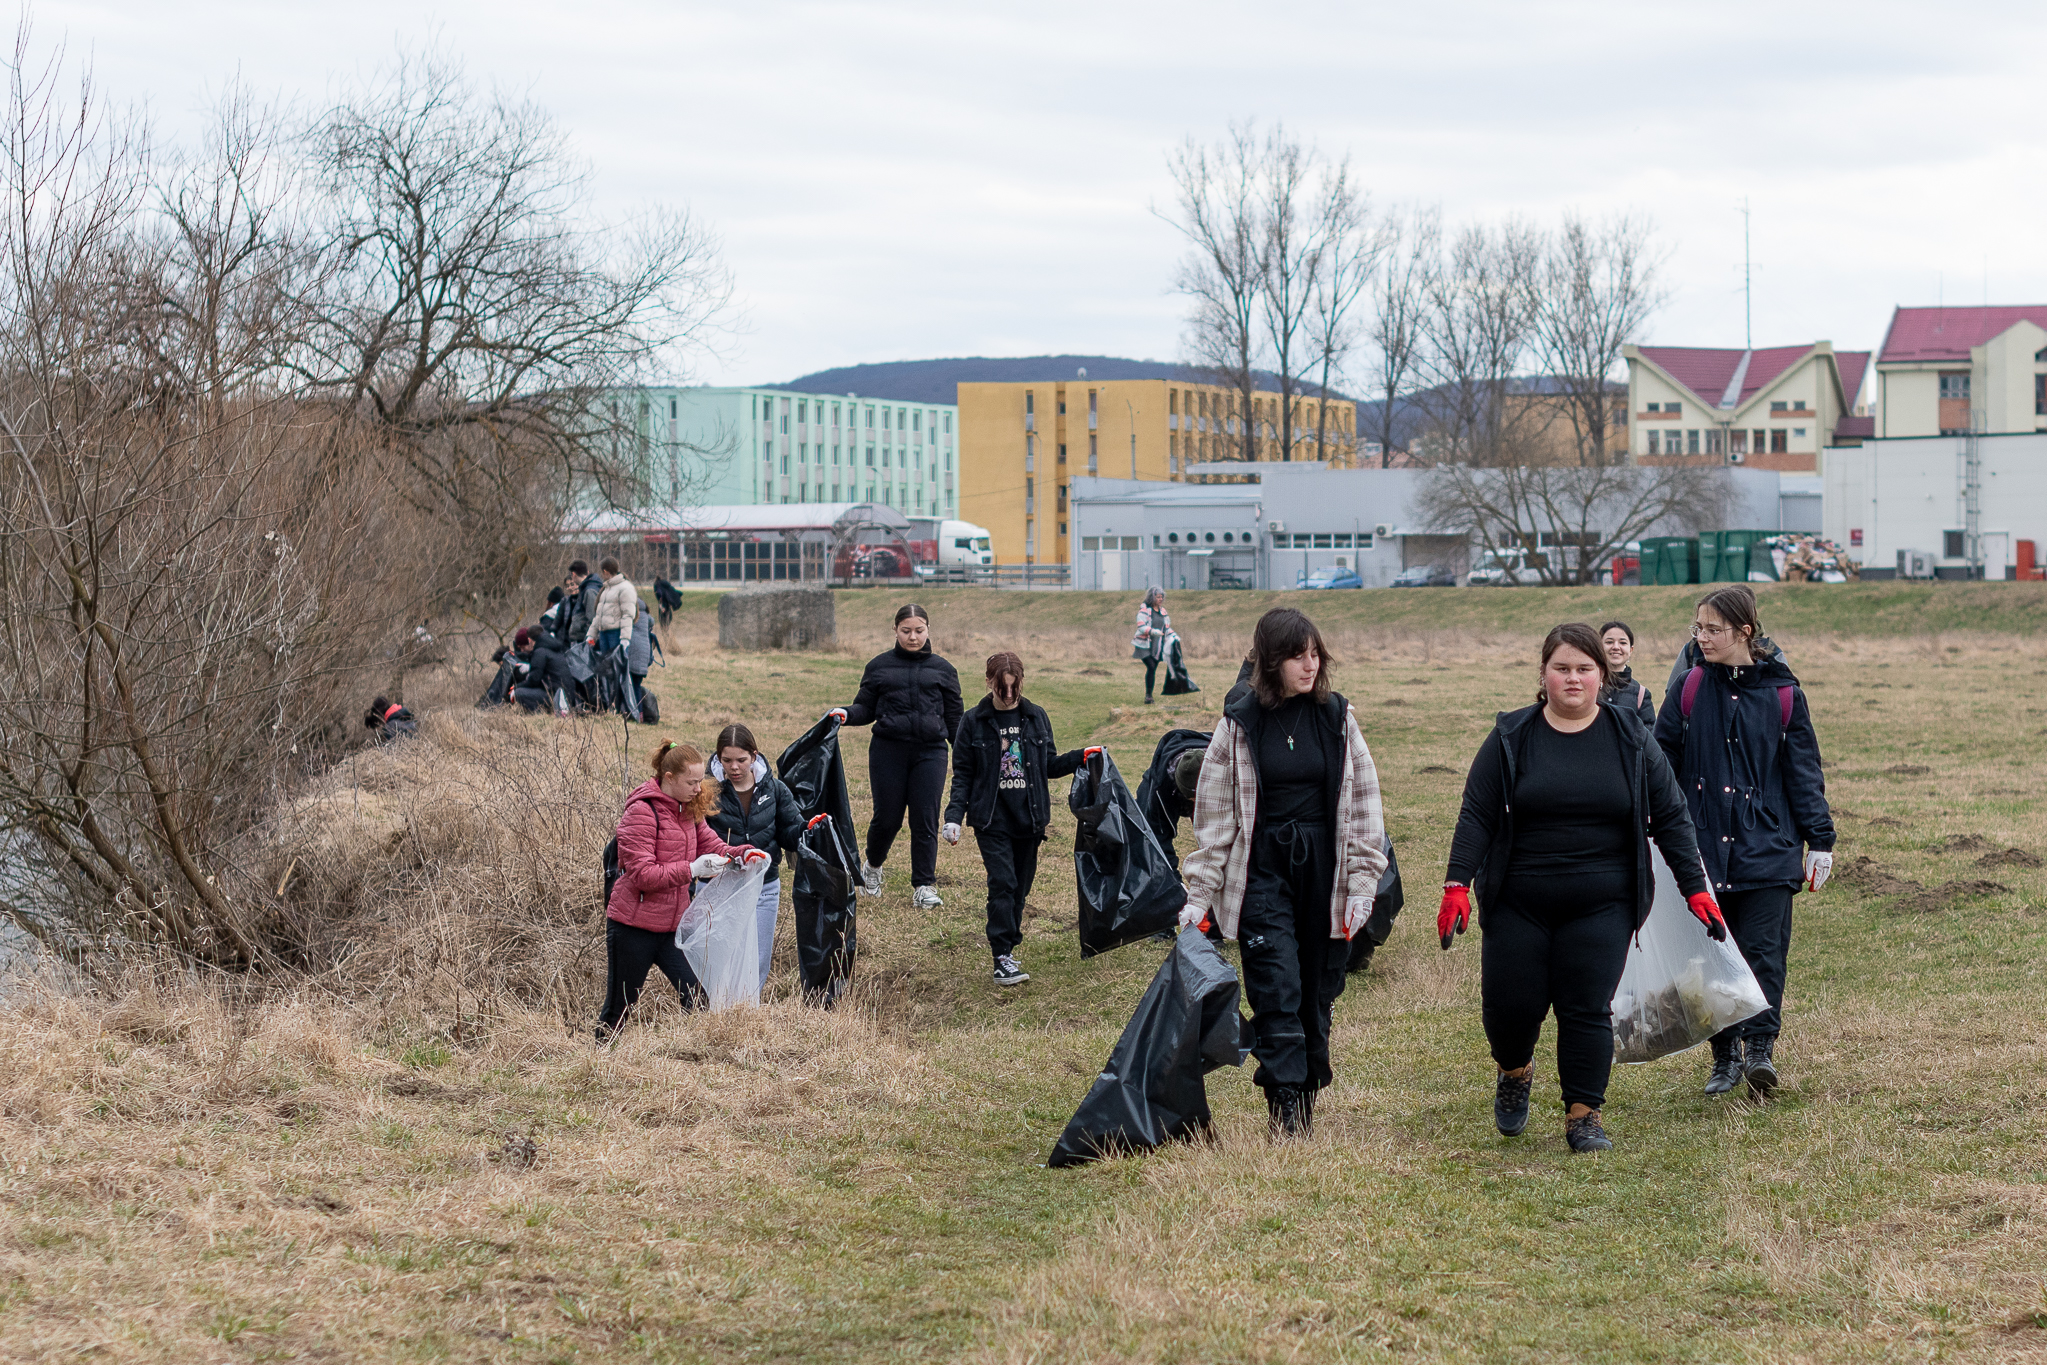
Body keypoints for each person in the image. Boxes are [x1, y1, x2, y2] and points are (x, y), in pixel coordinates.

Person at [1440, 622, 1722, 1154]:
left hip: (1603, 900)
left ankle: (1584, 1114)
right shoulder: (1510, 736)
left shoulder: (1630, 738)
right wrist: (1456, 884)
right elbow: (1476, 814)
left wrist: (1696, 888)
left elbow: (1672, 817)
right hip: (1517, 900)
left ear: (1602, 675)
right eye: (1562, 668)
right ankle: (1515, 1071)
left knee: (1587, 1007)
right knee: (1510, 1009)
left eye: (1584, 669)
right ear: (1543, 675)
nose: (1573, 679)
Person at [1179, 607, 1387, 1139]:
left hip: (1326, 870)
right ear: (1271, 662)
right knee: (1276, 985)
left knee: (1318, 992)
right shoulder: (1240, 724)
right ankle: (1285, 1102)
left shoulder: (1338, 718)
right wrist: (1198, 894)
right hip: (1263, 870)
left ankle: (1308, 1087)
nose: (1310, 665)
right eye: (1298, 656)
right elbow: (1216, 815)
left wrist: (1363, 883)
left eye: (1316, 654)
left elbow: (1365, 806)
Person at [1655, 586, 1834, 1099]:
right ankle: (1724, 1057)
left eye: (1712, 629)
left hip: (1769, 849)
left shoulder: (1784, 695)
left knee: (1763, 953)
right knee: (1710, 956)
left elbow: (1804, 773)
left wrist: (1819, 840)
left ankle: (1760, 1051)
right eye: (1698, 628)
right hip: (1702, 850)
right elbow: (1660, 761)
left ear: (1744, 632)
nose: (1702, 637)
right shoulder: (1688, 688)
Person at [597, 740, 767, 1038]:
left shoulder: (687, 809)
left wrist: (741, 854)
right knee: (619, 1007)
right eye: (692, 782)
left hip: (672, 928)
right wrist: (691, 870)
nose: (699, 789)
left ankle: (692, 1058)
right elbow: (642, 875)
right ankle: (598, 1064)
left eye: (701, 781)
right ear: (669, 778)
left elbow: (712, 845)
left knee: (698, 998)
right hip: (632, 928)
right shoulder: (641, 813)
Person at [942, 652, 1093, 986]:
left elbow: (1049, 764)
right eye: (1001, 688)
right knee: (1003, 884)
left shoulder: (1036, 717)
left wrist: (1081, 757)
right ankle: (1001, 956)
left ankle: (1008, 947)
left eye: (1014, 687)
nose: (1008, 695)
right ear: (988, 682)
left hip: (1030, 820)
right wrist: (953, 816)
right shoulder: (972, 722)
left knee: (1020, 889)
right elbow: (963, 775)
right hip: (990, 820)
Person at [825, 604, 963, 910]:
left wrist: (966, 754)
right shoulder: (879, 667)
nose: (913, 637)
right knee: (887, 819)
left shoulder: (944, 670)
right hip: (889, 750)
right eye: (906, 631)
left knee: (924, 818)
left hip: (931, 751)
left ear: (928, 630)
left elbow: (955, 720)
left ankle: (924, 886)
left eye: (919, 630)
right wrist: (845, 713)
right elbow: (865, 709)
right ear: (895, 631)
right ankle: (872, 866)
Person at [705, 724, 805, 992]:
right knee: (722, 957)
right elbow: (695, 837)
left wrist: (806, 830)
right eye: (727, 760)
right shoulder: (706, 792)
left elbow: (788, 832)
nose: (734, 767)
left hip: (764, 886)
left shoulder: (775, 789)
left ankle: (749, 1012)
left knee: (758, 959)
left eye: (741, 760)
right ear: (718, 758)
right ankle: (718, 1012)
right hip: (720, 886)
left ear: (754, 756)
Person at [1598, 620, 1656, 727]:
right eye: (1609, 642)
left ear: (1631, 650)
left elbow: (1648, 735)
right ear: (1598, 647)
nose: (1616, 647)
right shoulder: (1587, 686)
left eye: (1623, 643)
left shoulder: (1641, 694)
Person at [588, 557, 638, 657]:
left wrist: (625, 638)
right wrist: (591, 635)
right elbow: (599, 615)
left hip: (616, 634)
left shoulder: (625, 588)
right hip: (603, 634)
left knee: (617, 668)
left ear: (605, 571)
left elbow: (628, 614)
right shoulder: (606, 589)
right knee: (606, 667)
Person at [1130, 587, 1170, 705]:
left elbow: (1166, 626)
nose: (1160, 599)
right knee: (1151, 666)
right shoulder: (1144, 610)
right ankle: (1148, 696)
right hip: (1144, 644)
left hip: (1157, 646)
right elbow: (1141, 626)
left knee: (1153, 669)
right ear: (1152, 598)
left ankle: (1149, 695)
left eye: (1162, 597)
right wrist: (1153, 631)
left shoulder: (1163, 612)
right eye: (1158, 597)